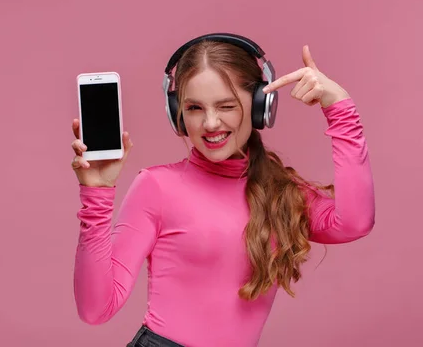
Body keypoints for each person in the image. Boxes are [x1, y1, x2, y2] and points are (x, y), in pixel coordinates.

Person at [69, 33, 375, 347]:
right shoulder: (155, 187)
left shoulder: (282, 192)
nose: (211, 123)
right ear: (177, 113)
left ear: (261, 106)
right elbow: (95, 309)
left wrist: (339, 107)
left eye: (226, 106)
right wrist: (97, 196)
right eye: (195, 108)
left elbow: (354, 222)